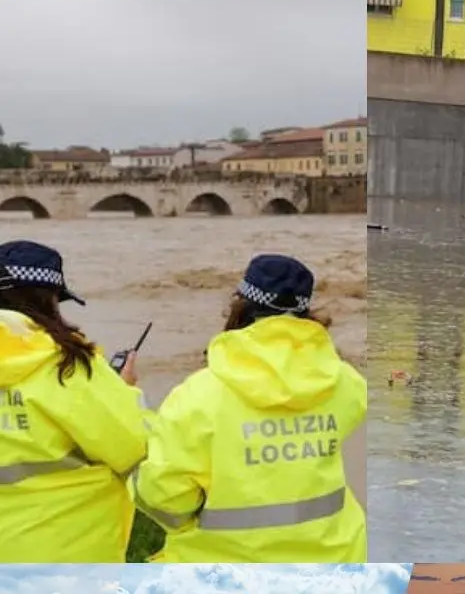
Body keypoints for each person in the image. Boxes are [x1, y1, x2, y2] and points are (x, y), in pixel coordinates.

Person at [134, 253, 367, 563]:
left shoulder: (199, 395)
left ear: (240, 305)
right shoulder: (343, 382)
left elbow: (166, 501)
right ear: (307, 311)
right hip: (335, 562)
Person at [0, 240, 149, 563]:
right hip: (66, 560)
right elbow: (136, 448)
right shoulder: (69, 367)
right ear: (49, 300)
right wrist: (126, 392)